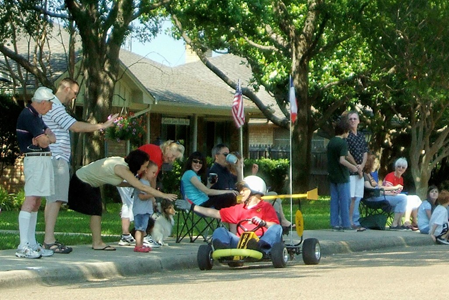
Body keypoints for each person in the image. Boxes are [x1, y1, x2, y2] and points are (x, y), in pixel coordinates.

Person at [41, 78, 118, 254]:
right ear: (66, 88)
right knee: (56, 199)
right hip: (57, 158)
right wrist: (102, 125)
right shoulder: (54, 106)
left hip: (52, 157)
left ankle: (48, 238)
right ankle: (49, 241)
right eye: (75, 93)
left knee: (52, 199)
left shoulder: (50, 105)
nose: (74, 97)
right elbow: (75, 127)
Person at [68, 149, 177, 250]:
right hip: (81, 180)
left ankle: (97, 242)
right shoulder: (122, 168)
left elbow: (116, 180)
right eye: (144, 166)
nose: (145, 169)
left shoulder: (123, 164)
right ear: (137, 164)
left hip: (90, 181)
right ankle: (97, 243)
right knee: (95, 211)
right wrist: (163, 195)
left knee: (96, 211)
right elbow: (142, 187)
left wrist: (131, 184)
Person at [15, 87, 57, 259]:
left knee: (37, 200)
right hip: (34, 159)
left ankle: (32, 243)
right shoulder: (28, 116)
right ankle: (23, 245)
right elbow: (43, 140)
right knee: (31, 198)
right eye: (50, 104)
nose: (51, 108)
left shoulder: (37, 116)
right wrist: (44, 139)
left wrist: (47, 138)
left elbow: (51, 137)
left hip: (42, 158)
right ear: (42, 102)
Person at [191, 176, 283, 254]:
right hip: (241, 241)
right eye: (240, 190)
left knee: (277, 228)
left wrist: (263, 223)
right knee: (220, 231)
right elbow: (216, 213)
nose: (241, 193)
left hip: (260, 239)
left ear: (255, 190)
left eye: (244, 190)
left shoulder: (265, 207)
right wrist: (193, 207)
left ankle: (260, 246)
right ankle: (224, 248)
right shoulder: (239, 208)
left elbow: (274, 226)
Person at [118, 140, 185, 246]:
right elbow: (151, 177)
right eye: (172, 155)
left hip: (130, 175)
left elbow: (152, 177)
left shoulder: (158, 154)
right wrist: (153, 195)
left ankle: (130, 235)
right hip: (128, 174)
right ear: (167, 148)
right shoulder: (156, 155)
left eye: (174, 158)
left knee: (129, 204)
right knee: (131, 205)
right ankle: (136, 236)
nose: (172, 159)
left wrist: (152, 194)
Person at [327, 118, 359, 231]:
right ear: (345, 131)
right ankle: (346, 224)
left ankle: (335, 223)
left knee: (334, 200)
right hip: (342, 176)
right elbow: (342, 160)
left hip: (332, 175)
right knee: (345, 200)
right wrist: (353, 167)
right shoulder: (342, 143)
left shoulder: (331, 142)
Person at [363, 154, 408, 230]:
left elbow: (379, 187)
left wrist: (389, 192)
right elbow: (370, 188)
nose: (375, 165)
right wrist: (392, 189)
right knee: (403, 198)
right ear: (369, 163)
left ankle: (398, 224)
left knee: (406, 199)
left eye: (403, 167)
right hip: (373, 198)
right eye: (373, 162)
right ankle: (394, 224)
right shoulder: (365, 175)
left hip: (379, 195)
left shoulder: (370, 174)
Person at [383, 157, 422, 230]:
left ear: (405, 169)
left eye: (403, 167)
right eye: (399, 166)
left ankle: (413, 222)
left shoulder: (401, 179)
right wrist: (395, 193)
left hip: (396, 199)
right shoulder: (390, 176)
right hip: (386, 198)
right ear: (395, 167)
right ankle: (400, 223)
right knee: (404, 198)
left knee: (415, 198)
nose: (401, 168)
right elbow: (385, 191)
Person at [345, 111, 368, 231]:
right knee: (350, 196)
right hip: (351, 171)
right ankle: (348, 221)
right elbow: (347, 153)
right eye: (350, 119)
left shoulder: (361, 135)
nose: (353, 121)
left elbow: (365, 152)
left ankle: (354, 220)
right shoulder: (346, 135)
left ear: (359, 121)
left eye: (355, 119)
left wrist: (362, 167)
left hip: (360, 171)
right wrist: (356, 166)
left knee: (356, 198)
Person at [132, 161, 159, 252]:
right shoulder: (141, 183)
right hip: (140, 210)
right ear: (146, 170)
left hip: (146, 210)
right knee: (139, 228)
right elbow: (141, 196)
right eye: (153, 172)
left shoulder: (147, 183)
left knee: (143, 229)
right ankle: (138, 246)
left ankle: (141, 244)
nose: (154, 175)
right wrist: (152, 194)